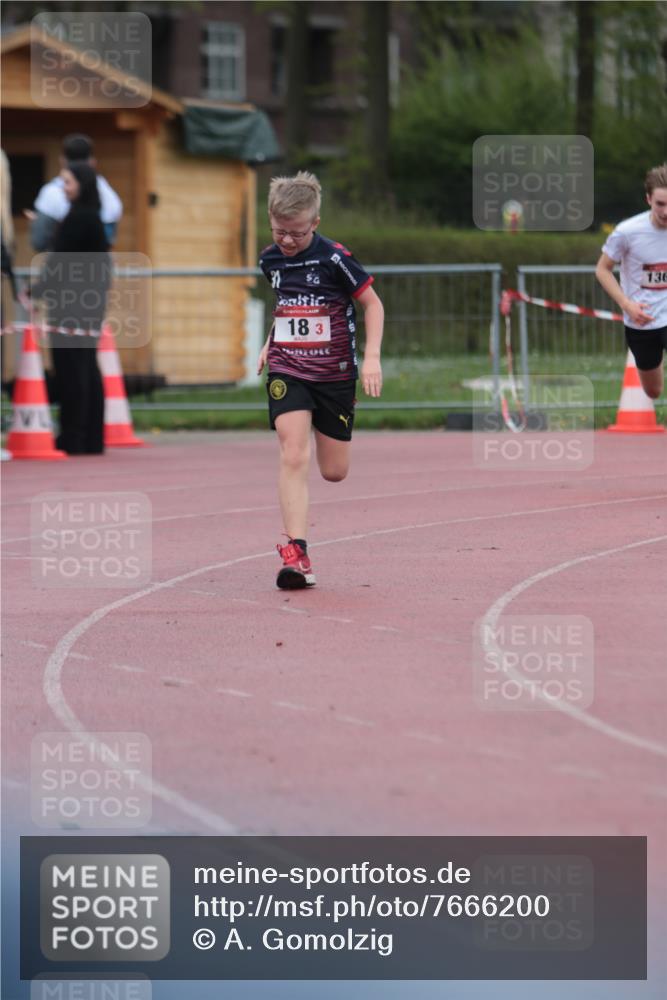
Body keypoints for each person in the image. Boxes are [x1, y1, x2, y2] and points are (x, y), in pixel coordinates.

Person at [257, 171, 384, 589]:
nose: (286, 242)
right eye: (279, 232)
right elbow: (286, 306)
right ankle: (297, 554)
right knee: (292, 452)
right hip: (288, 368)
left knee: (333, 471)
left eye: (295, 233)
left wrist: (371, 359)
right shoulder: (269, 259)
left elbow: (372, 305)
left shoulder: (335, 259)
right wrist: (269, 343)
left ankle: (331, 421)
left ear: (314, 223)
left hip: (334, 374)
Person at [30, 162, 112, 455]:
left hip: (74, 301)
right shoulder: (92, 217)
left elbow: (59, 262)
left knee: (72, 367)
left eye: (68, 182)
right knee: (86, 365)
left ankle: (73, 435)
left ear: (82, 184)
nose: (64, 188)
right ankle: (91, 437)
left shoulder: (79, 217)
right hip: (89, 300)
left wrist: (36, 290)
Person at [595, 163, 667, 400]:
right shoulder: (627, 232)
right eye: (660, 204)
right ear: (648, 199)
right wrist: (627, 305)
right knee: (653, 391)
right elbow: (603, 270)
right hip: (642, 319)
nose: (666, 211)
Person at [29, 133, 122, 251]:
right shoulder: (109, 196)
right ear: (92, 161)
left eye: (68, 183)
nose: (65, 189)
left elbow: (39, 241)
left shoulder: (51, 194)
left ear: (63, 161)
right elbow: (108, 242)